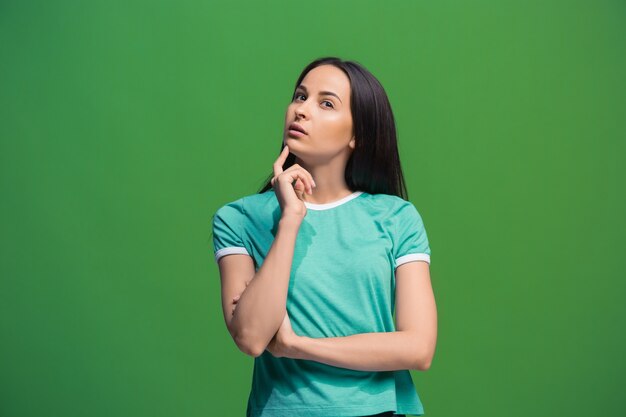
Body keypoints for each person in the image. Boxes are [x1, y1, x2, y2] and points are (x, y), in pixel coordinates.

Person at [211, 56, 437, 417]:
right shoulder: (239, 219)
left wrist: (296, 345)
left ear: (356, 135)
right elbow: (251, 337)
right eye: (300, 96)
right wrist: (290, 221)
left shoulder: (397, 218)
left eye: (325, 103)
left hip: (381, 410)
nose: (301, 111)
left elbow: (418, 348)